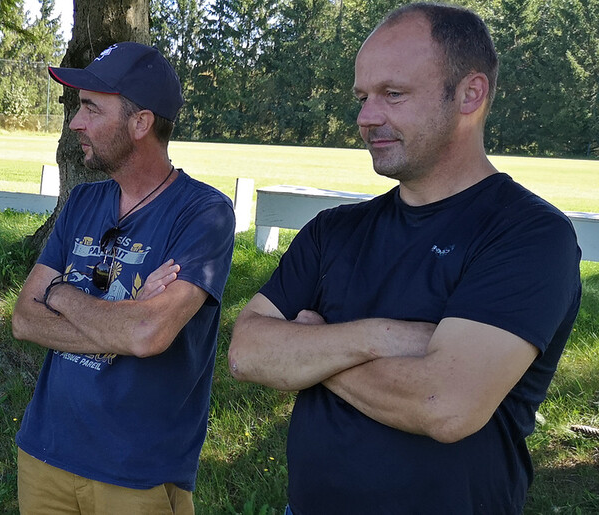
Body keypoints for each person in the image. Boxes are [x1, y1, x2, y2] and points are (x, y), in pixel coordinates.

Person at [228, 4, 581, 514]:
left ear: (470, 94)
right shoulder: (334, 230)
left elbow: (445, 406)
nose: (366, 117)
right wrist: (384, 337)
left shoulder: (527, 234)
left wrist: (310, 351)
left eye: (393, 94)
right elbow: (246, 352)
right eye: (363, 97)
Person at [11, 41, 236, 514]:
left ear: (140, 123)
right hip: (44, 452)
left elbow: (148, 333)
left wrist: (60, 292)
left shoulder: (204, 213)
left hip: (137, 473)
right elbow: (24, 321)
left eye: (91, 108)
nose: (75, 123)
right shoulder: (82, 202)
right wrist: (121, 320)